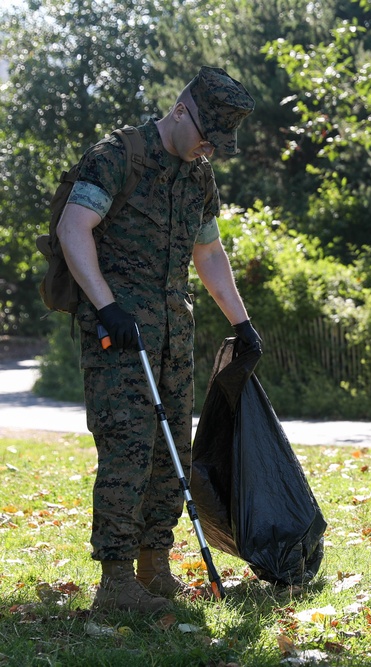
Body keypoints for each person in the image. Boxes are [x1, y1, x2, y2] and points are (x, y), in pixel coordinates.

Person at [56, 66, 262, 614]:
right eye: (205, 139)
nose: (208, 151)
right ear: (180, 112)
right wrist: (106, 305)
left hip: (173, 329)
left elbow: (209, 253)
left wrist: (241, 323)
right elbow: (73, 228)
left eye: (217, 146)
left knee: (173, 449)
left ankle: (155, 567)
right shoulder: (118, 156)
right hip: (118, 331)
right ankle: (116, 583)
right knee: (128, 449)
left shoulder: (199, 175)